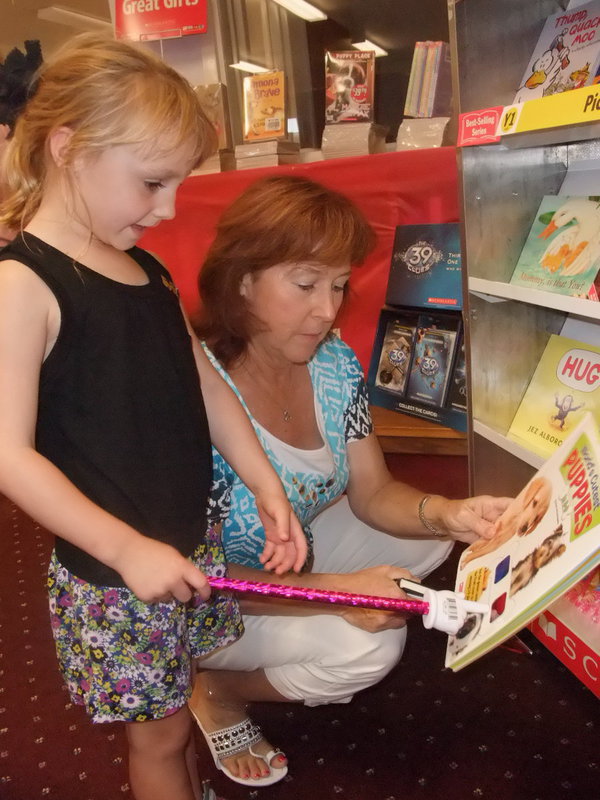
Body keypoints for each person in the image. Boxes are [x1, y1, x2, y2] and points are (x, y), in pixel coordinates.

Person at [0, 36, 307, 800]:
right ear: (68, 149)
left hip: (180, 540)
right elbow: (8, 454)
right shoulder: (23, 285)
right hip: (116, 571)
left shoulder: (148, 269)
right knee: (160, 735)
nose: (168, 209)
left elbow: (203, 383)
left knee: (179, 695)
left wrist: (263, 479)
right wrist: (127, 549)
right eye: (151, 183)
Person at [189, 174, 512, 786]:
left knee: (433, 537)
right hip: (209, 601)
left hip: (291, 553)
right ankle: (218, 690)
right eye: (305, 283)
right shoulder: (189, 392)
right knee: (371, 647)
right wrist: (339, 591)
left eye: (338, 285)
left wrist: (451, 511)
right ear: (241, 279)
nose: (328, 309)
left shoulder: (333, 362)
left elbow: (373, 491)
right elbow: (191, 574)